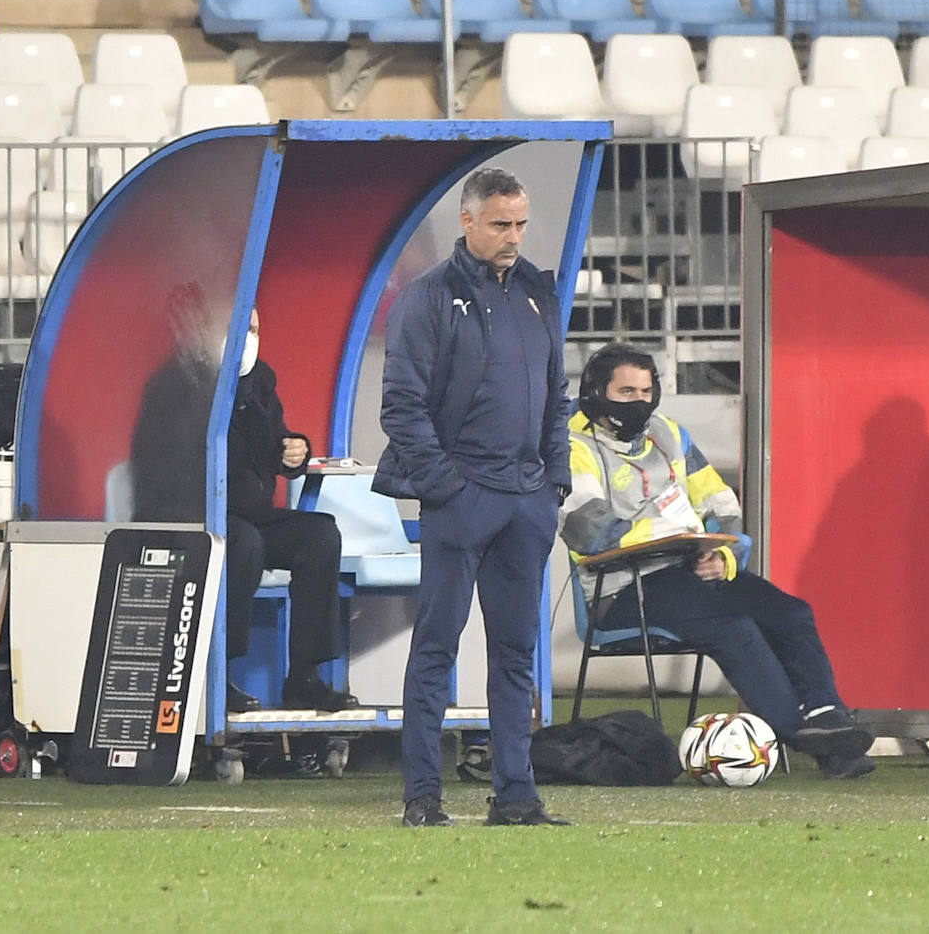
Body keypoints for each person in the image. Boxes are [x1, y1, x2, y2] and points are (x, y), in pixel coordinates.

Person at [558, 343, 875, 779]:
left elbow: (721, 503)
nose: (639, 402)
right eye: (626, 392)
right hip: (619, 586)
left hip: (688, 569)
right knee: (732, 626)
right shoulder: (570, 445)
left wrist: (721, 552)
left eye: (646, 392)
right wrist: (678, 538)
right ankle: (811, 739)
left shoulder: (669, 433)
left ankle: (828, 716)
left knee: (791, 614)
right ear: (595, 392)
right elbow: (588, 529)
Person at [374, 167, 571, 827]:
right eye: (500, 225)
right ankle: (422, 797)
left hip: (526, 499)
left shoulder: (540, 295)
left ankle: (516, 796)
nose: (513, 237)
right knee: (438, 646)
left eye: (519, 224)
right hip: (463, 498)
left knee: (517, 652)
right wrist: (448, 487)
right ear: (467, 220)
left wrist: (555, 482)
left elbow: (555, 398)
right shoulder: (427, 299)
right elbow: (401, 408)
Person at [132, 306, 357, 715]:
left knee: (320, 536)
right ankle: (218, 672)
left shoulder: (259, 383)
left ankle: (305, 676)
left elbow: (271, 445)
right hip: (192, 516)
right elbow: (171, 463)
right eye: (241, 327)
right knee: (245, 543)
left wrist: (292, 452)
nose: (249, 338)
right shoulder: (176, 385)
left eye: (255, 328)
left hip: (249, 515)